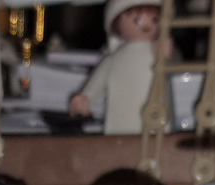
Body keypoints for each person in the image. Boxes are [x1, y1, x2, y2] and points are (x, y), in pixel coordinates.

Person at [69, 0, 165, 135]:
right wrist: (87, 97)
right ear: (116, 22)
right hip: (122, 125)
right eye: (137, 19)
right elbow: (100, 79)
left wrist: (168, 55)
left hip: (156, 123)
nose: (147, 24)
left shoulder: (158, 53)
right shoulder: (114, 59)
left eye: (155, 19)